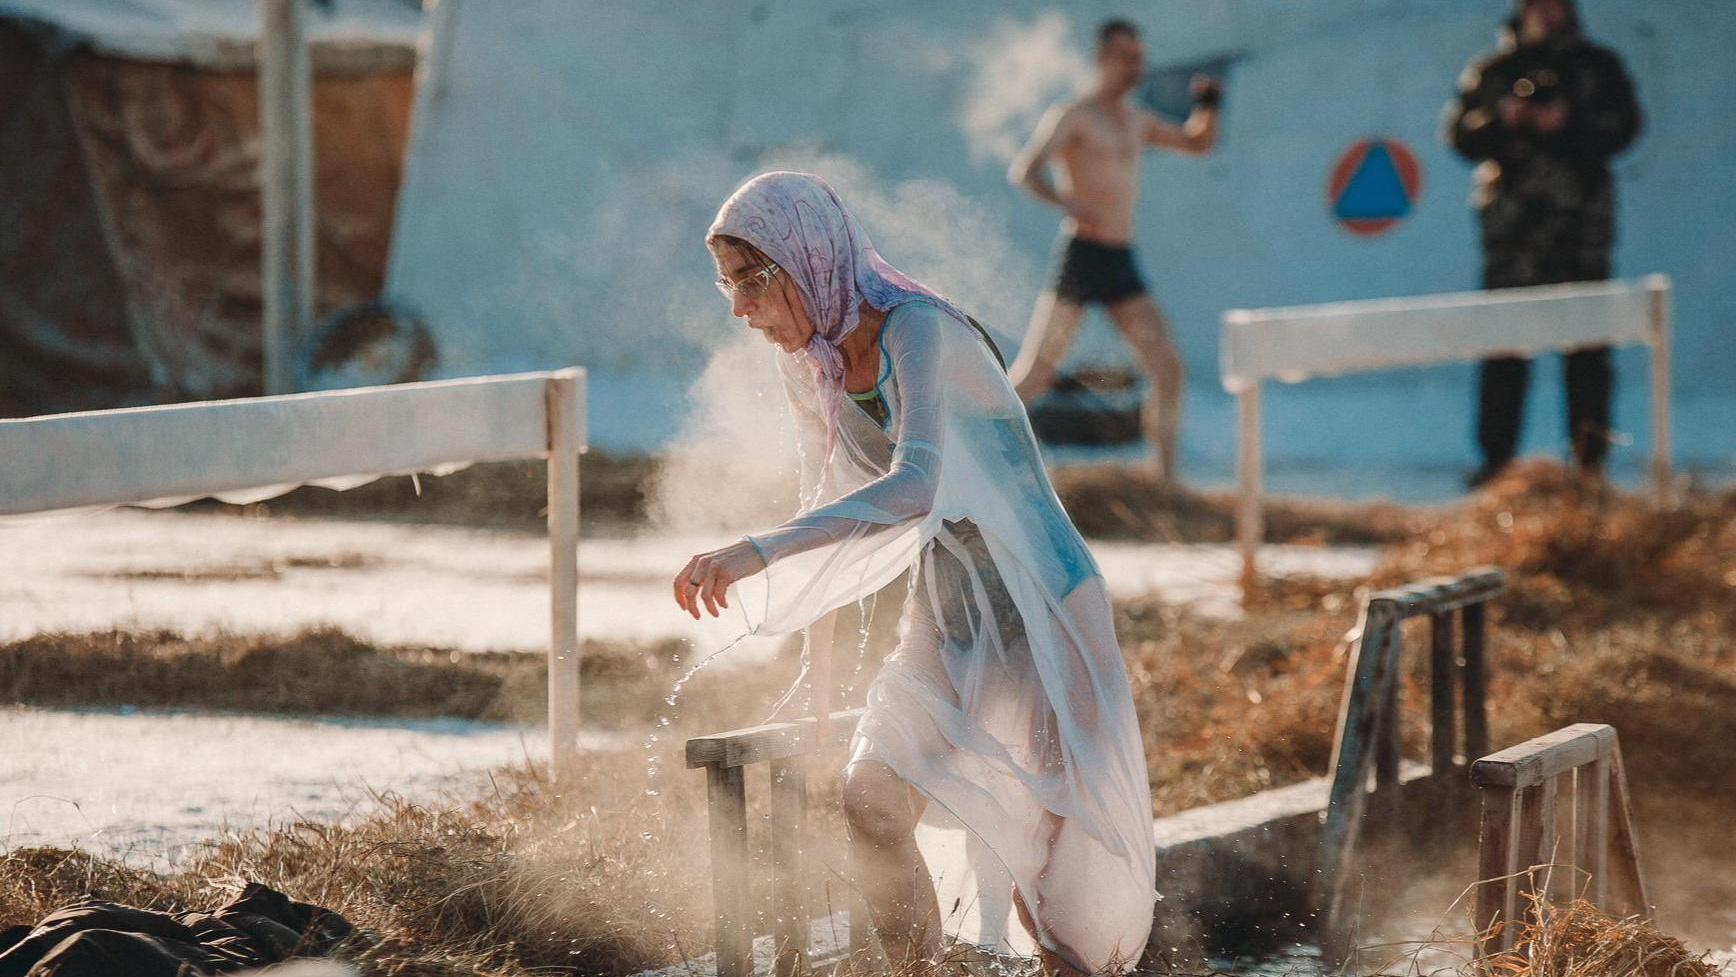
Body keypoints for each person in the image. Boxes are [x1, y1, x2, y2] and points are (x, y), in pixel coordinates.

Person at [671, 172, 1155, 975]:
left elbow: (915, 482)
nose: (738, 310)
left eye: (751, 282)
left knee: (1053, 887)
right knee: (869, 800)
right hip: (948, 615)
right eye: (726, 285)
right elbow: (822, 502)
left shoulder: (920, 330)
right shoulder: (813, 362)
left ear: (806, 259)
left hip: (1044, 608)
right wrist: (817, 683)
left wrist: (754, 551)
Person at [1007, 18, 1219, 481]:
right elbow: (1025, 170)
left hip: (1120, 260)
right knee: (1034, 377)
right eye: (1125, 58)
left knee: (1168, 369)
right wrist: (1067, 202)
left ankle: (1164, 483)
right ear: (1102, 60)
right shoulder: (1075, 114)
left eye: (1139, 58)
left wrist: (1208, 104)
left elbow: (1197, 143)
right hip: (1082, 255)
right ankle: (975, 458)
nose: (1134, 68)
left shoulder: (1137, 120)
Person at [1445, 0, 1642, 488]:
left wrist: (1568, 122)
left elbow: (1625, 127)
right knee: (1503, 349)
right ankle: (1496, 468)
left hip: (1579, 233)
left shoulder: (1597, 67)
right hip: (1513, 238)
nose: (1547, 15)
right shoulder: (1492, 71)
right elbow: (1460, 136)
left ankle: (1589, 468)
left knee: (1588, 352)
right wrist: (1503, 119)